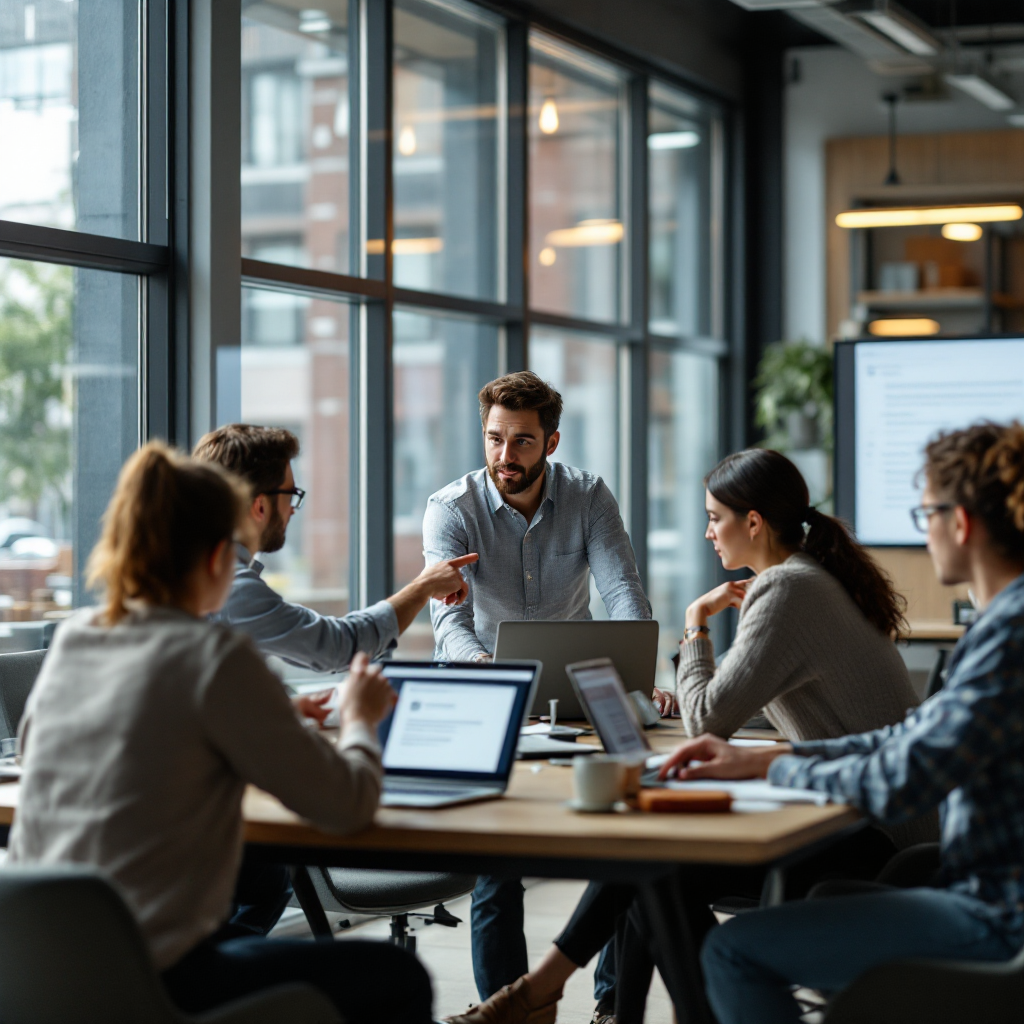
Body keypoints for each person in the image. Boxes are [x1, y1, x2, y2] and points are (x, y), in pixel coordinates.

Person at [446, 447, 936, 1024]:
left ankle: (540, 994)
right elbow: (743, 697)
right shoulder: (811, 579)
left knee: (654, 865)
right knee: (651, 864)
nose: (706, 533)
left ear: (752, 522)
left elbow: (706, 718)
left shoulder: (788, 590)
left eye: (713, 517)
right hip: (875, 821)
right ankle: (574, 1002)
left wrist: (694, 625)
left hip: (874, 840)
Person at [7, 442, 433, 1024]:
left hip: (40, 971)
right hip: (159, 981)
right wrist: (359, 716)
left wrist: (267, 726)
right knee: (398, 977)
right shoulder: (215, 656)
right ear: (215, 558)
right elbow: (349, 806)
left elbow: (52, 752)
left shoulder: (76, 638)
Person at [685, 420, 1024, 1023]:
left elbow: (906, 775)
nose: (926, 535)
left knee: (733, 951)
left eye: (926, 518)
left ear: (961, 523)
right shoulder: (1004, 626)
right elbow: (910, 738)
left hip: (997, 917)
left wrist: (784, 768)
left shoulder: (1007, 638)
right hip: (976, 889)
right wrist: (774, 758)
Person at [194, 423, 478, 937]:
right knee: (391, 975)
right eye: (290, 494)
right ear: (260, 505)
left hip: (128, 912)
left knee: (268, 878)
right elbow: (338, 647)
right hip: (183, 917)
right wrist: (421, 589)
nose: (294, 508)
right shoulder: (228, 590)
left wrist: (279, 713)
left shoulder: (125, 615)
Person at [423, 370, 651, 1010]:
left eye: (522, 442)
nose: (504, 457)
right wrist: (489, 673)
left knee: (626, 842)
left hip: (572, 689)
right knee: (499, 862)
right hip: (481, 691)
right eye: (494, 439)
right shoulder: (452, 509)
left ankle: (612, 1004)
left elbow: (623, 592)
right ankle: (510, 1008)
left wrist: (640, 675)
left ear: (550, 442)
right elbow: (450, 624)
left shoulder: (588, 498)